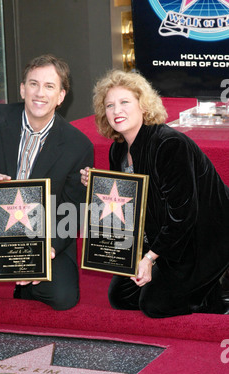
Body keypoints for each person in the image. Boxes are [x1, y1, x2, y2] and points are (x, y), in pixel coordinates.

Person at [0, 54, 94, 315]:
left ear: (61, 96)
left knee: (63, 297)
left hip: (42, 236)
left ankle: (23, 285)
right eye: (33, 84)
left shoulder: (78, 145)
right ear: (22, 89)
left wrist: (51, 249)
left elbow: (73, 205)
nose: (40, 93)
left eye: (49, 87)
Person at [81, 69, 229, 318]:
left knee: (155, 305)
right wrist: (100, 186)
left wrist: (149, 258)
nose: (117, 111)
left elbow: (183, 215)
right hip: (166, 236)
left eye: (125, 102)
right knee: (121, 297)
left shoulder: (170, 145)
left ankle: (217, 293)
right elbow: (131, 206)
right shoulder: (118, 151)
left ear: (143, 105)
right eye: (110, 105)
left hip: (205, 236)